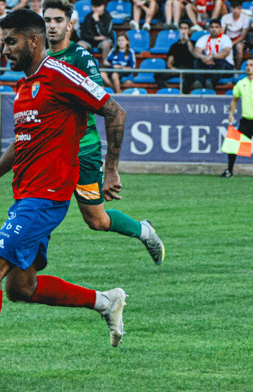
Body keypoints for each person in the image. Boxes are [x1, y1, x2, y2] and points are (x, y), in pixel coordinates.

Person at [0, 10, 139, 391]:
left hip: (46, 197)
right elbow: (20, 145)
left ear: (34, 41)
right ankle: (106, 302)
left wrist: (111, 169)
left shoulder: (60, 75)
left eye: (11, 41)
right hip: (25, 196)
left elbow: (114, 110)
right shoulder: (25, 88)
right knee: (20, 289)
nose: (3, 49)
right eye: (2, 41)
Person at [44, 0, 163, 262]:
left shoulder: (81, 58)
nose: (52, 26)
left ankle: (143, 230)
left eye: (58, 20)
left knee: (96, 220)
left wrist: (111, 168)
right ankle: (25, 266)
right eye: (47, 20)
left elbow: (109, 108)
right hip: (53, 154)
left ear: (70, 25)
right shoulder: (39, 59)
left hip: (83, 151)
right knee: (37, 208)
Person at [192, 19, 233, 90]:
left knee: (220, 60)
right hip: (208, 64)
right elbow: (196, 52)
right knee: (197, 61)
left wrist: (212, 57)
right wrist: (203, 57)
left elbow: (225, 53)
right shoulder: (203, 38)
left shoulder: (225, 38)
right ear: (209, 29)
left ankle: (211, 84)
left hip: (226, 67)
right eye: (212, 27)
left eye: (216, 27)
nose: (214, 29)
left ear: (220, 28)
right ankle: (200, 83)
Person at [156, 20, 195, 92]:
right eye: (181, 28)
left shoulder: (193, 43)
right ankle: (166, 93)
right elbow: (169, 62)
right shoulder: (174, 46)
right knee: (158, 75)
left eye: (185, 28)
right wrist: (173, 68)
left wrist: (187, 41)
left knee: (191, 77)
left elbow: (193, 53)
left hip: (189, 70)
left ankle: (184, 96)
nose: (183, 31)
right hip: (177, 69)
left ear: (189, 31)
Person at [220, 1, 249, 70]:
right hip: (227, 38)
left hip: (239, 39)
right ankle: (226, 68)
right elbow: (222, 32)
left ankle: (237, 69)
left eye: (238, 8)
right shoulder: (225, 17)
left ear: (241, 8)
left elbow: (243, 35)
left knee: (239, 47)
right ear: (230, 8)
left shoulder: (245, 18)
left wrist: (232, 43)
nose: (236, 11)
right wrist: (226, 42)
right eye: (234, 8)